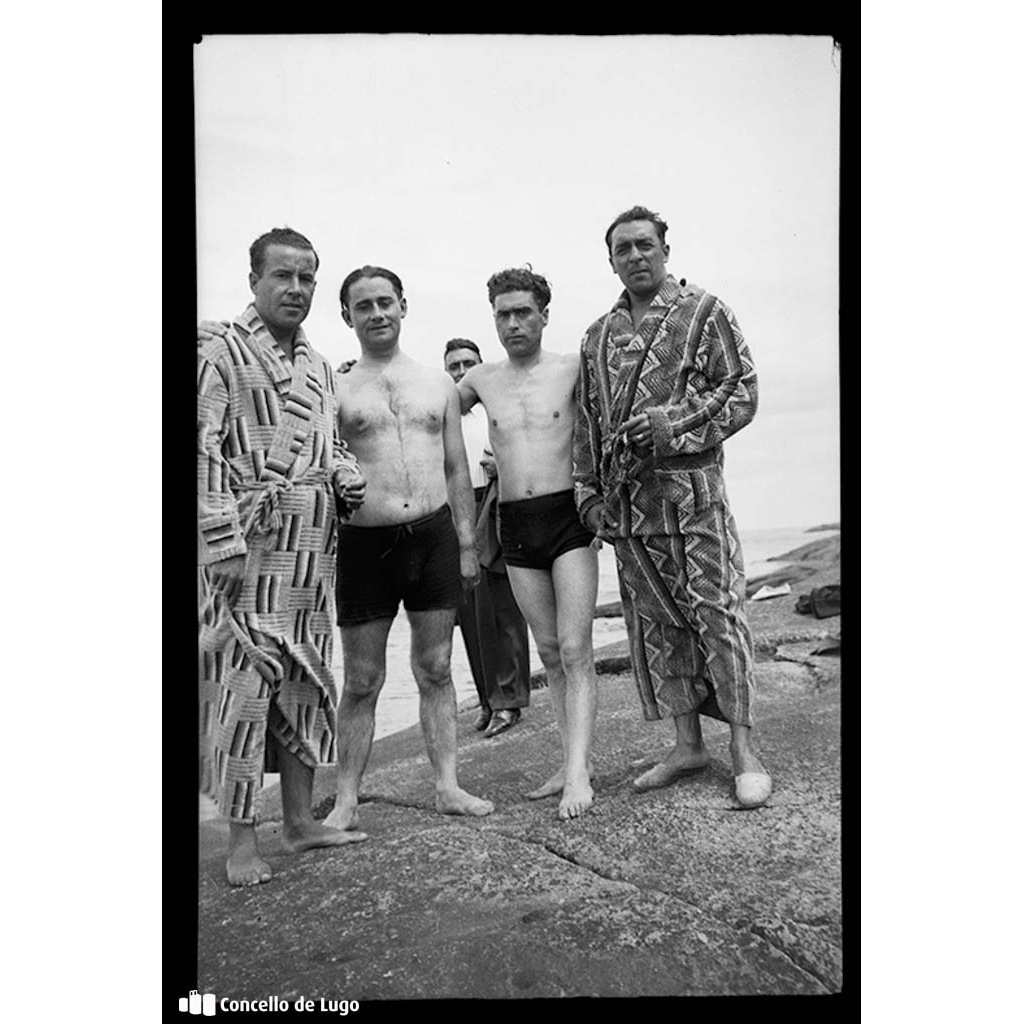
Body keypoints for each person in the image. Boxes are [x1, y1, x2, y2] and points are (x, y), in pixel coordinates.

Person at [574, 205, 772, 809]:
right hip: (629, 509)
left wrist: (667, 425)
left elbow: (742, 390)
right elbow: (586, 423)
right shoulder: (596, 337)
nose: (635, 256)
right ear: (610, 260)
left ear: (665, 249)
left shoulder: (705, 313)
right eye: (622, 249)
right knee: (658, 627)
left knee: (718, 614)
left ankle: (743, 750)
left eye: (644, 244)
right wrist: (587, 495)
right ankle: (688, 744)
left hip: (694, 501)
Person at [197, 226, 370, 887]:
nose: (295, 288)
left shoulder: (321, 367)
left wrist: (346, 475)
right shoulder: (220, 352)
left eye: (307, 279)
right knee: (242, 689)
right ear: (254, 281)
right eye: (283, 276)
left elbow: (329, 449)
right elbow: (200, 448)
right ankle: (242, 843)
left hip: (310, 555)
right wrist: (220, 541)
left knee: (307, 685)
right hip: (244, 550)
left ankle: (298, 823)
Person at [322, 267, 494, 832]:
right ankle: (347, 798)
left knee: (437, 667)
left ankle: (447, 785)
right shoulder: (336, 388)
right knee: (364, 679)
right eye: (363, 306)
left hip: (433, 537)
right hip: (364, 545)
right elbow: (326, 464)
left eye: (386, 303)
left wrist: (467, 543)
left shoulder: (437, 384)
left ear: (403, 306)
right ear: (347, 315)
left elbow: (456, 465)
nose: (377, 314)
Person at [457, 268, 599, 820]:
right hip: (514, 523)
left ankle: (579, 776)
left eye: (523, 312)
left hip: (568, 518)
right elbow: (425, 410)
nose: (513, 322)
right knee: (547, 652)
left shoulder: (571, 369)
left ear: (544, 313)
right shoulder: (482, 381)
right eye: (502, 314)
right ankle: (570, 763)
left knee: (575, 648)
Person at [443, 338, 531, 739]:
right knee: (470, 614)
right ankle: (486, 699)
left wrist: (503, 463)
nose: (461, 373)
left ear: (480, 367)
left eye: (467, 364)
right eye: (454, 367)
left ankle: (509, 701)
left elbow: (531, 450)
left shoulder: (499, 408)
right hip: (456, 510)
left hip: (496, 504)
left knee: (502, 608)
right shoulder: (445, 416)